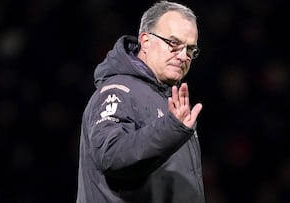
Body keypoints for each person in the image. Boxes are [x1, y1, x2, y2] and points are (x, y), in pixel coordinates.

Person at [76, 1, 205, 202]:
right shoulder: (119, 91)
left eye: (190, 50)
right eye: (174, 44)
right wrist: (172, 129)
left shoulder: (167, 97)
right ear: (145, 41)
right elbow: (110, 155)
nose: (182, 56)